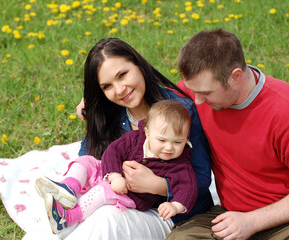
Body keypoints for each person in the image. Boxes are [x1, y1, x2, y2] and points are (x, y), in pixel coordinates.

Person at [49, 37, 213, 238]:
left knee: (106, 218)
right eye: (107, 86)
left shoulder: (180, 111)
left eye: (122, 75)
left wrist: (157, 185)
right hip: (123, 201)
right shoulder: (109, 114)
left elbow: (203, 178)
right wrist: (94, 114)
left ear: (138, 64)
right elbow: (90, 163)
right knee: (60, 219)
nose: (119, 90)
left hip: (169, 215)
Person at [167, 28, 289, 240]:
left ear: (235, 76)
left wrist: (253, 221)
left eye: (205, 93)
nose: (197, 101)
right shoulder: (196, 92)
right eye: (193, 91)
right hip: (229, 217)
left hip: (287, 221)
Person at [36, 100, 198, 234]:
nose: (169, 148)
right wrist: (115, 176)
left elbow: (188, 188)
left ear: (186, 139)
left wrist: (175, 206)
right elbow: (113, 152)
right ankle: (68, 188)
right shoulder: (135, 139)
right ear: (148, 133)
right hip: (113, 174)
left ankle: (67, 217)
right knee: (86, 161)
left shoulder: (180, 164)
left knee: (101, 192)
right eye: (162, 140)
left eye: (178, 142)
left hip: (132, 195)